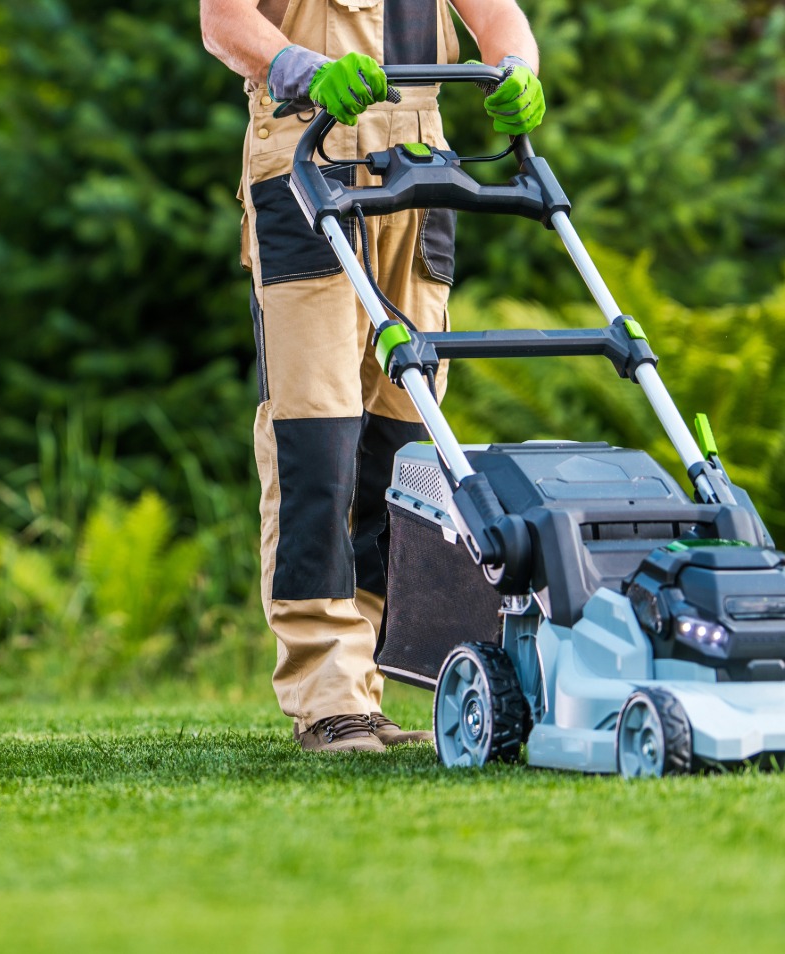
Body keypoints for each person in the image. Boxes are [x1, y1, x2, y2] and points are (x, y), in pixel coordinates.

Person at [200, 0, 545, 753]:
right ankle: (328, 694)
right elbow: (221, 20)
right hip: (306, 155)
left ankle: (367, 688)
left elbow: (498, 16)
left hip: (418, 170)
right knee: (316, 437)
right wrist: (301, 69)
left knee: (403, 444)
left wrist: (518, 68)